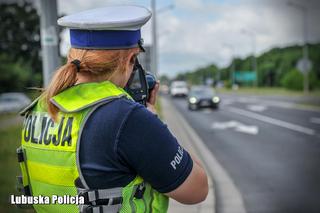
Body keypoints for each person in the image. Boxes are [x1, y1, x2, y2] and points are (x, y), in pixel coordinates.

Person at [17, 5, 208, 213]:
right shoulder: (126, 118)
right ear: (130, 60)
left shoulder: (40, 107)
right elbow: (196, 190)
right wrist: (154, 119)